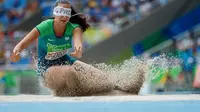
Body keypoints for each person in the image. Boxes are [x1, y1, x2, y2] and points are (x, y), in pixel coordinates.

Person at [10, 0, 144, 96]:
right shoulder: (45, 26)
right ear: (55, 13)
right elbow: (22, 43)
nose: (64, 16)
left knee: (103, 79)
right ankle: (75, 96)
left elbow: (78, 41)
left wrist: (78, 49)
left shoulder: (74, 28)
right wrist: (16, 52)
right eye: (60, 12)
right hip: (47, 69)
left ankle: (120, 91)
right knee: (69, 72)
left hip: (66, 60)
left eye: (66, 13)